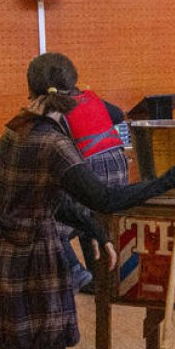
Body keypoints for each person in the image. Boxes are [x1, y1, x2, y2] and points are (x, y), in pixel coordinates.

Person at [0, 52, 175, 349]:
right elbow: (106, 198)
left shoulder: (15, 128)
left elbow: (45, 200)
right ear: (73, 97)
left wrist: (96, 230)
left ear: (31, 88)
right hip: (27, 268)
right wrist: (171, 178)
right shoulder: (54, 143)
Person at [59, 80, 129, 293]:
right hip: (120, 173)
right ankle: (101, 277)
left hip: (91, 173)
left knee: (50, 223)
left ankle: (78, 273)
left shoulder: (59, 108)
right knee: (89, 219)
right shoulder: (92, 99)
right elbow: (118, 114)